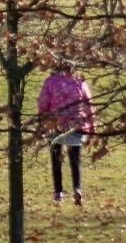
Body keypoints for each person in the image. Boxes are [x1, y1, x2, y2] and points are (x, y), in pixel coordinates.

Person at [37, 61, 95, 206]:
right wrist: (92, 128)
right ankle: (77, 188)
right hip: (76, 125)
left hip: (55, 125)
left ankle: (58, 193)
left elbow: (43, 104)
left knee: (56, 158)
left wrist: (42, 120)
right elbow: (89, 104)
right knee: (75, 159)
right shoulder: (79, 82)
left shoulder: (50, 82)